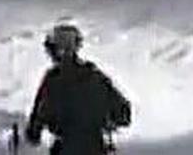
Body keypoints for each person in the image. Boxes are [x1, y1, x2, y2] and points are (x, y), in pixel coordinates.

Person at [24, 23, 132, 154]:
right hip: (96, 148)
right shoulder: (95, 76)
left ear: (56, 50)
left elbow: (35, 126)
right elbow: (124, 113)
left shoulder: (52, 81)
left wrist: (35, 132)